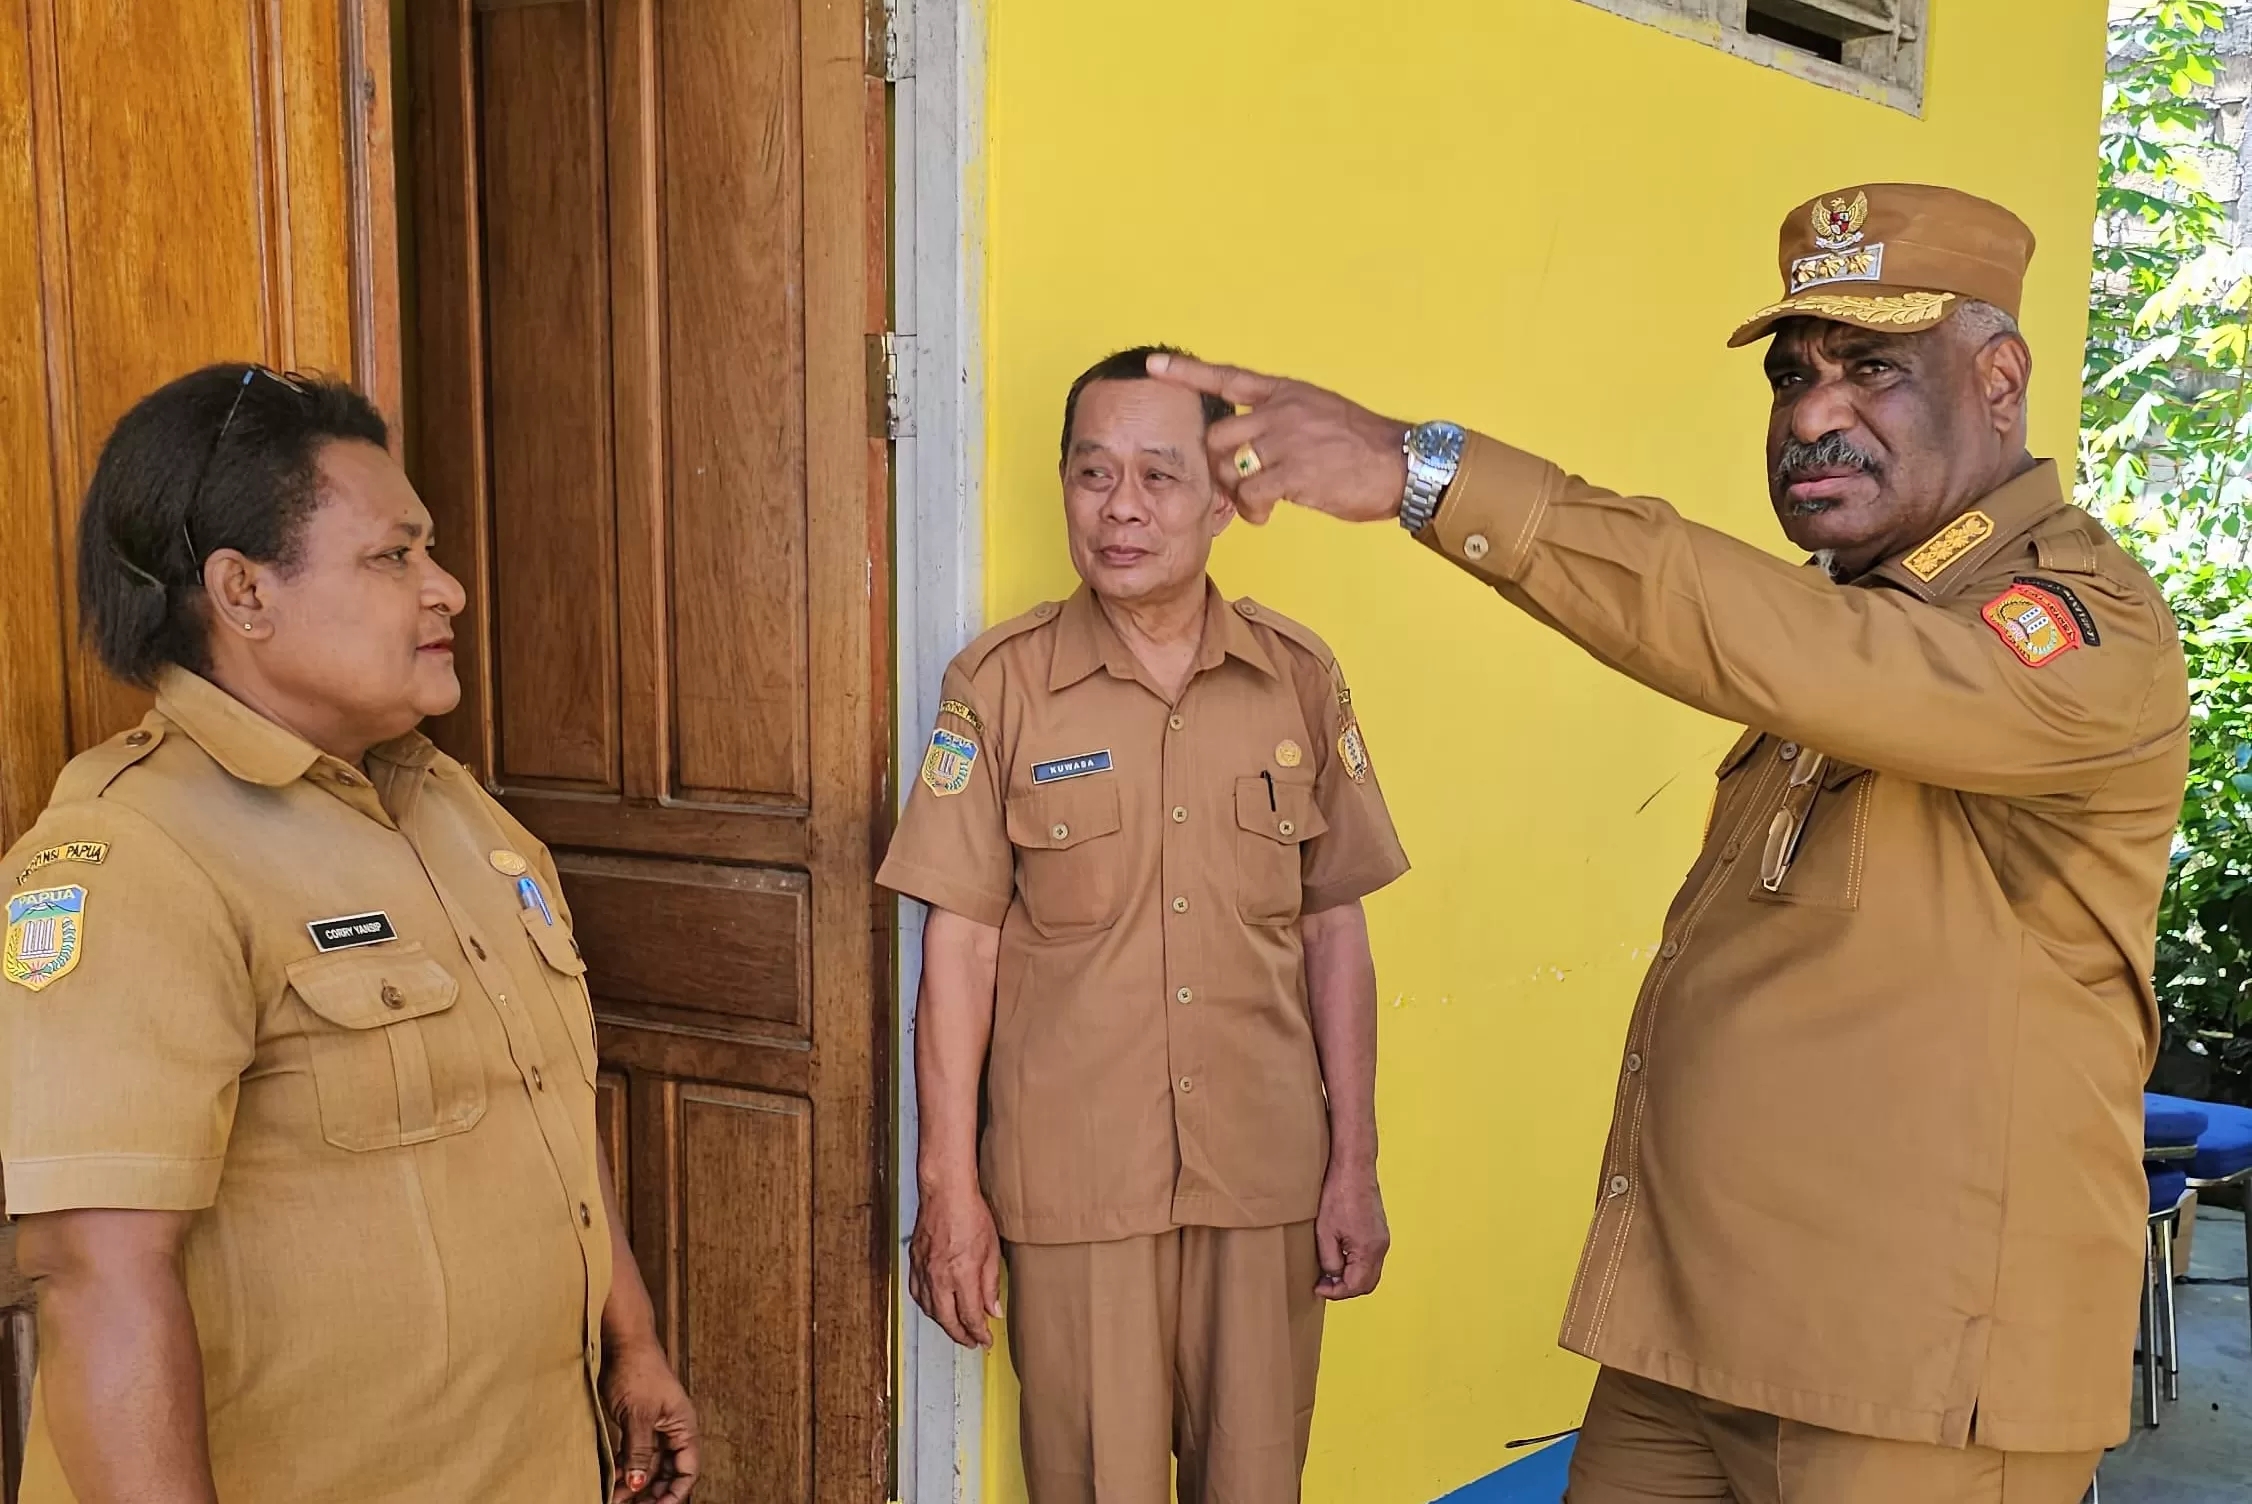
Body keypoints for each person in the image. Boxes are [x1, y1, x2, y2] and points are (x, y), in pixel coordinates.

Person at [1149, 185, 2191, 1504]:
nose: (1812, 412)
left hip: (1915, 1389)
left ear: (1999, 380)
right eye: (1792, 373)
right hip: (1695, 1343)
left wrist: (1431, 474)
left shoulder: (2078, 634)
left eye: (1872, 367)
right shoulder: (1849, 626)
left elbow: (1810, 654)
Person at [0, 365, 699, 1503]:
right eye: (394, 556)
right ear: (243, 591)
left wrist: (631, 1337)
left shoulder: (456, 810)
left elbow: (540, 1103)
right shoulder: (135, 860)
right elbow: (95, 1281)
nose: (448, 590)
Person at [881, 347, 1411, 1504]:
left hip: (1264, 1181)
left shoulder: (1298, 682)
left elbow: (1334, 934)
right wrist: (948, 1188)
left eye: (1158, 477)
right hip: (1076, 1194)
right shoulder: (999, 687)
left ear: (1225, 496)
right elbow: (957, 945)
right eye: (1090, 473)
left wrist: (1352, 1167)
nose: (1120, 507)